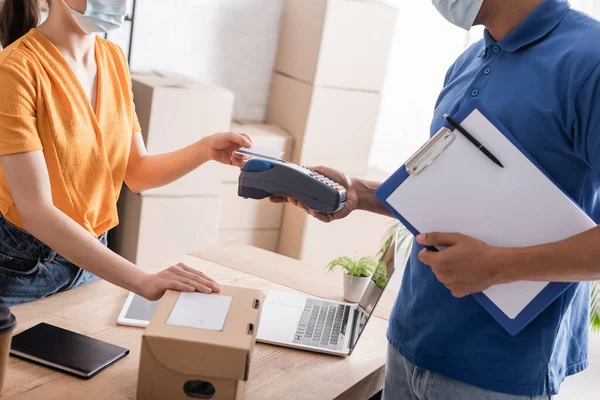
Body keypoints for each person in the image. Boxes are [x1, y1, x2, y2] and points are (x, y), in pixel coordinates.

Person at [273, 0, 600, 398]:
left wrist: (500, 266)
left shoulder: (590, 60)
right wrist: (359, 193)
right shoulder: (469, 59)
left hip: (498, 371)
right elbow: (451, 192)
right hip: (409, 343)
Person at [0, 0, 255, 307]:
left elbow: (136, 172)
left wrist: (205, 149)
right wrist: (142, 280)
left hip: (91, 260)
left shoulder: (112, 59)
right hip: (20, 269)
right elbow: (36, 212)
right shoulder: (14, 70)